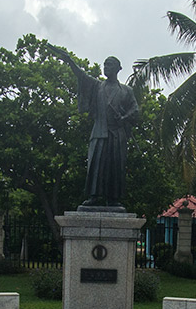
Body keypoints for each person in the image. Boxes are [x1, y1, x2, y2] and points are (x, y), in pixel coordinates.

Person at [50, 45, 139, 208]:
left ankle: (114, 199)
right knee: (96, 164)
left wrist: (124, 117)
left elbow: (135, 109)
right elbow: (81, 75)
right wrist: (69, 60)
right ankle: (94, 196)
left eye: (109, 65)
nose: (106, 67)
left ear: (118, 69)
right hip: (100, 132)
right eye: (104, 64)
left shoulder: (126, 90)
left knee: (115, 166)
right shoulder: (97, 86)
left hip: (117, 134)